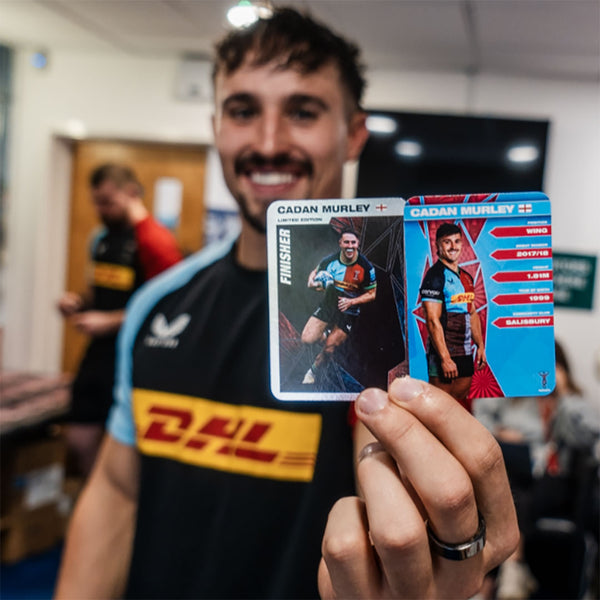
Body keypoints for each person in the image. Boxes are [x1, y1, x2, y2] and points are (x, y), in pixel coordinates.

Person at [55, 8, 518, 599]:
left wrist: (451, 562)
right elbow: (119, 490)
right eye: (242, 111)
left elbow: (414, 537)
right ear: (216, 127)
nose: (268, 142)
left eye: (302, 111)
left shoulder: (399, 322)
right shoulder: (156, 305)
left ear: (353, 134)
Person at [57, 164, 182, 476]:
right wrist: (78, 301)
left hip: (134, 354)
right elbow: (100, 289)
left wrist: (111, 321)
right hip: (97, 352)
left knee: (121, 445)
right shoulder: (102, 238)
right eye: (96, 202)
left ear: (131, 193)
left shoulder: (154, 241)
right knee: (79, 437)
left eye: (108, 202)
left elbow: (171, 308)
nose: (101, 210)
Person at [420, 222, 486, 408]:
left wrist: (480, 346)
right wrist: (445, 358)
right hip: (443, 353)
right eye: (447, 242)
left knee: (460, 405)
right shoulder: (434, 277)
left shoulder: (466, 277)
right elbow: (432, 320)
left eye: (457, 241)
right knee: (439, 408)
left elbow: (471, 312)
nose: (453, 246)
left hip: (465, 351)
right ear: (438, 246)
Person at [301, 228, 376, 384]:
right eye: (346, 242)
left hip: (349, 311)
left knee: (329, 349)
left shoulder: (366, 267)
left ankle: (312, 372)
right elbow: (315, 272)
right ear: (340, 243)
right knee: (307, 339)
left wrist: (351, 302)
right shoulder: (330, 261)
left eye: (353, 242)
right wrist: (311, 282)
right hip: (329, 304)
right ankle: (327, 335)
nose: (350, 246)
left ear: (358, 244)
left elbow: (372, 294)